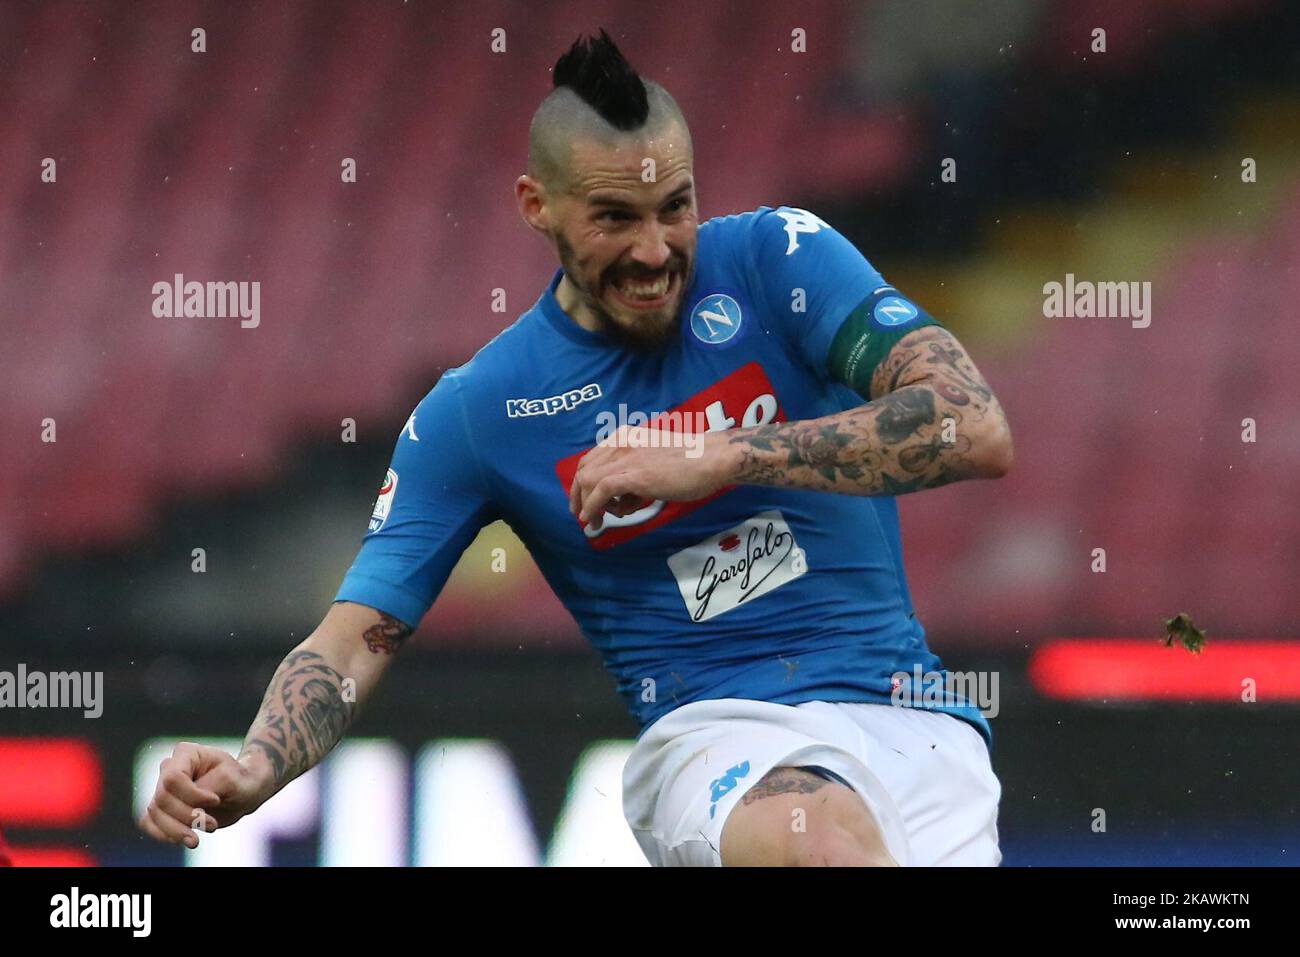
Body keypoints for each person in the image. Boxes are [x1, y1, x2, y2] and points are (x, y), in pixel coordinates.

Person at [140, 29, 1013, 867]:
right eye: (614, 218)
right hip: (718, 737)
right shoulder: (480, 413)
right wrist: (257, 764)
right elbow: (353, 640)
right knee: (817, 835)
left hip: (914, 720)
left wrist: (721, 456)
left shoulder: (779, 260)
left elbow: (971, 425)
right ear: (537, 206)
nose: (654, 249)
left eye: (676, 208)